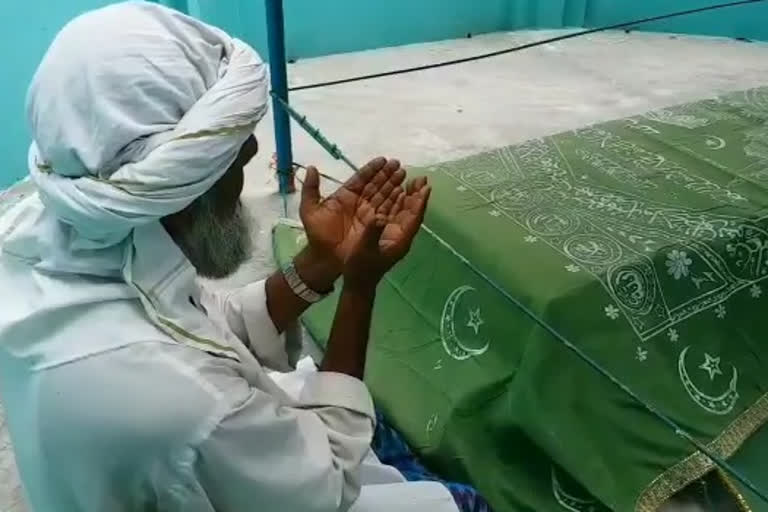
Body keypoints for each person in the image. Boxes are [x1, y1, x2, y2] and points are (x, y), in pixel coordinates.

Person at [0, 2, 477, 511]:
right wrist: (359, 288)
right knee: (453, 499)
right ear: (178, 186)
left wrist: (322, 263)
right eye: (230, 150)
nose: (252, 152)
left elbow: (201, 320)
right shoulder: (184, 401)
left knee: (342, 404)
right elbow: (329, 483)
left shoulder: (46, 230)